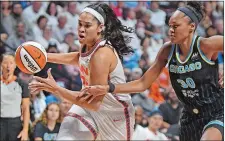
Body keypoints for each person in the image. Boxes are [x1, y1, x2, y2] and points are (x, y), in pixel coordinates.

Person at [80, 2, 224, 141]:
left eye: (176, 26)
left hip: (216, 110)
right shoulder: (167, 50)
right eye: (169, 26)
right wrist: (108, 88)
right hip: (189, 116)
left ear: (191, 27)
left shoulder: (207, 45)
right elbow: (142, 83)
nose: (170, 30)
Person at [29, 3, 135, 140]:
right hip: (87, 108)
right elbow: (79, 58)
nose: (81, 29)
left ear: (100, 28)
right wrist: (44, 57)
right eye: (79, 24)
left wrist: (56, 89)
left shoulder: (102, 54)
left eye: (87, 25)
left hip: (113, 114)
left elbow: (94, 103)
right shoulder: (87, 43)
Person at [0, 54, 30, 141]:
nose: (8, 66)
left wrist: (25, 129)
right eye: (5, 62)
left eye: (11, 63)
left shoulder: (22, 84)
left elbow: (25, 108)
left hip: (15, 123)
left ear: (15, 65)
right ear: (1, 64)